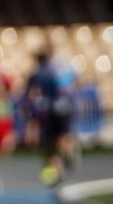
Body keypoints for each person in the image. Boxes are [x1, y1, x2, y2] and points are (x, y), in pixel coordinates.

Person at [29, 48, 77, 185]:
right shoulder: (60, 71)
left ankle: (58, 170)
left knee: (50, 144)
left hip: (49, 111)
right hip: (63, 108)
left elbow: (33, 96)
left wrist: (33, 119)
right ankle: (68, 151)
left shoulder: (38, 75)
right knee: (63, 135)